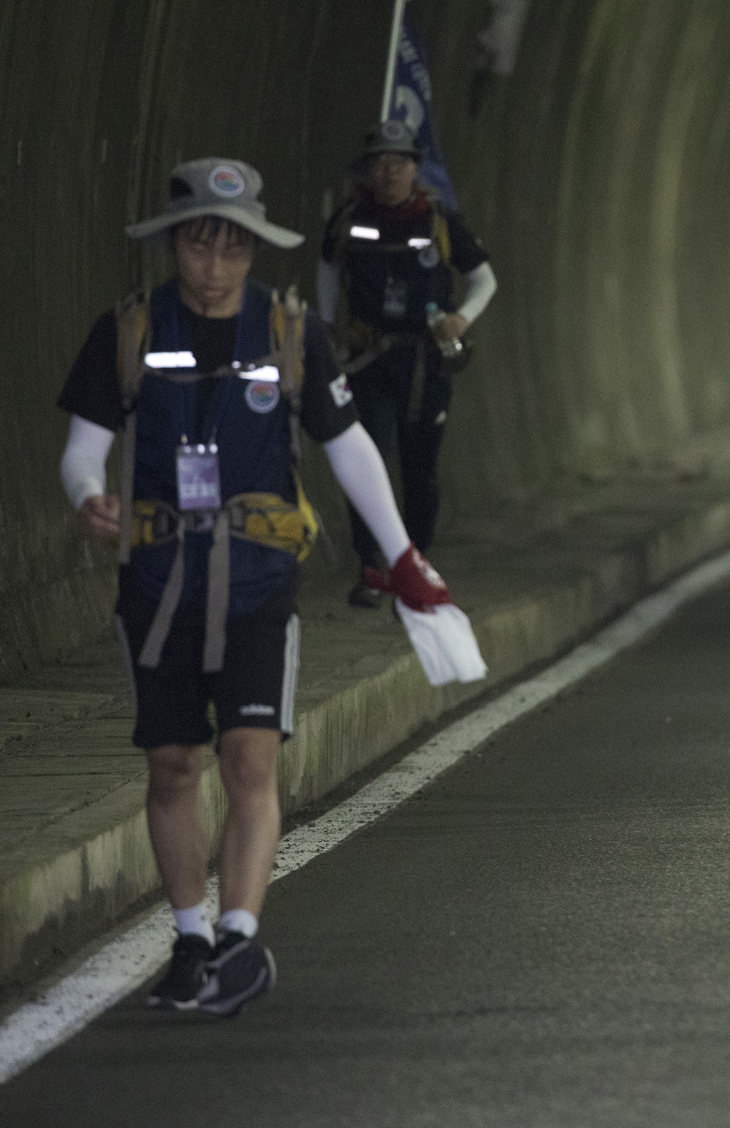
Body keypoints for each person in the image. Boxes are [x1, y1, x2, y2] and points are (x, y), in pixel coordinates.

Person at [58, 157, 466, 1015]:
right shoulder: (129, 330)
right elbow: (84, 441)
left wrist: (401, 556)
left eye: (232, 247)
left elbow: (348, 445)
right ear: (176, 245)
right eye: (200, 245)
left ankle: (239, 935)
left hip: (256, 581)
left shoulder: (288, 332)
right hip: (160, 581)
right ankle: (191, 936)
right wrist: (86, 491)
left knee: (250, 755)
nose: (215, 264)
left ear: (253, 251)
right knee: (173, 764)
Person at [319, 119, 497, 608]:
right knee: (366, 458)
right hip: (369, 359)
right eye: (379, 163)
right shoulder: (349, 218)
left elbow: (484, 278)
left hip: (424, 362)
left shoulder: (439, 221)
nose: (389, 172)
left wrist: (462, 317)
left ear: (416, 168)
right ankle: (371, 565)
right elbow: (329, 264)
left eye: (399, 162)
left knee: (421, 468)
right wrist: (332, 322)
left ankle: (415, 562)